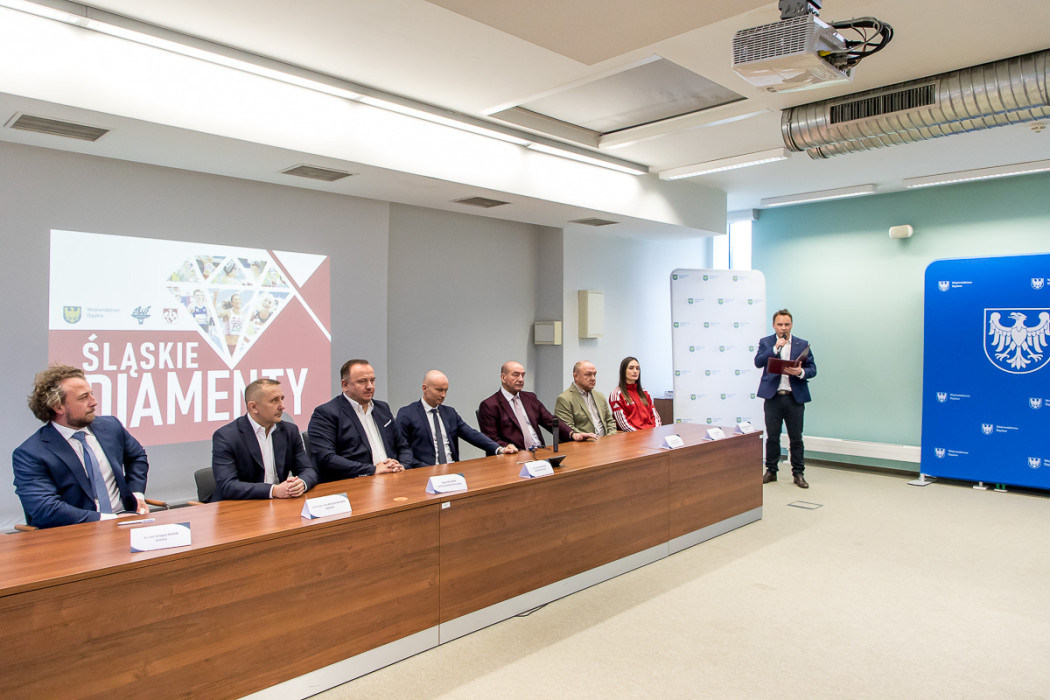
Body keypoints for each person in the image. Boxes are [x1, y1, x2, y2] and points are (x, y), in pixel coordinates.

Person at [12, 364, 150, 528]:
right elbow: (45, 508)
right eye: (83, 397)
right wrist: (109, 520)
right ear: (58, 407)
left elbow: (137, 457)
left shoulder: (111, 427)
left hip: (127, 523)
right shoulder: (31, 453)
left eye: (92, 394)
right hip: (76, 532)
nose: (94, 402)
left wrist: (137, 495)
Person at [308, 359, 416, 481]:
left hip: (393, 478)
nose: (370, 386)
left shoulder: (382, 408)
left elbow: (403, 446)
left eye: (372, 380)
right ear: (345, 385)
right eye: (362, 381)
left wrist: (402, 466)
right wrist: (373, 470)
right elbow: (326, 458)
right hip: (355, 482)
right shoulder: (326, 413)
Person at [211, 378, 318, 500]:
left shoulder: (290, 431)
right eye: (274, 400)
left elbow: (308, 469)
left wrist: (301, 483)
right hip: (240, 505)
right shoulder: (226, 436)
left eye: (282, 399)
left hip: (279, 503)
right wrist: (274, 490)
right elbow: (228, 486)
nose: (282, 406)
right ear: (253, 407)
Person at [396, 370, 518, 466]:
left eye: (446, 390)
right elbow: (403, 449)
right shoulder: (407, 414)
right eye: (439, 390)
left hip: (452, 470)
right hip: (423, 472)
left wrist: (499, 449)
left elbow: (471, 434)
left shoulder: (449, 413)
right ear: (424, 388)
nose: (443, 395)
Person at [754, 309, 817, 489]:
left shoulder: (801, 344)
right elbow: (758, 362)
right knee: (772, 437)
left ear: (792, 325)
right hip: (773, 397)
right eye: (780, 324)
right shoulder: (766, 342)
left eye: (787, 324)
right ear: (773, 325)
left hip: (794, 398)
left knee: (796, 438)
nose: (783, 328)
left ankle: (798, 473)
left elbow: (813, 369)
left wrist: (801, 372)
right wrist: (775, 348)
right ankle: (771, 471)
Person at [478, 361, 596, 450]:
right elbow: (491, 438)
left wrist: (573, 434)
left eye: (523, 375)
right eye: (515, 375)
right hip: (513, 456)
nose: (521, 379)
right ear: (503, 377)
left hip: (539, 452)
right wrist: (506, 448)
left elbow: (550, 421)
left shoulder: (530, 398)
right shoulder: (489, 405)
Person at [554, 361, 617, 437]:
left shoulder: (599, 396)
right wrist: (587, 437)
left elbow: (610, 421)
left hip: (605, 440)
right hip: (583, 442)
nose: (593, 378)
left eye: (594, 374)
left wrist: (610, 437)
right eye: (588, 374)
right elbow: (567, 428)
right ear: (575, 376)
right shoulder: (564, 399)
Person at [609, 356, 661, 432]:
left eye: (637, 368)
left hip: (651, 433)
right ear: (623, 371)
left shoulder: (645, 392)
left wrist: (656, 431)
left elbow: (655, 417)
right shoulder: (616, 394)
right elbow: (623, 425)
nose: (635, 371)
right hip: (634, 435)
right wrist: (640, 435)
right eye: (631, 368)